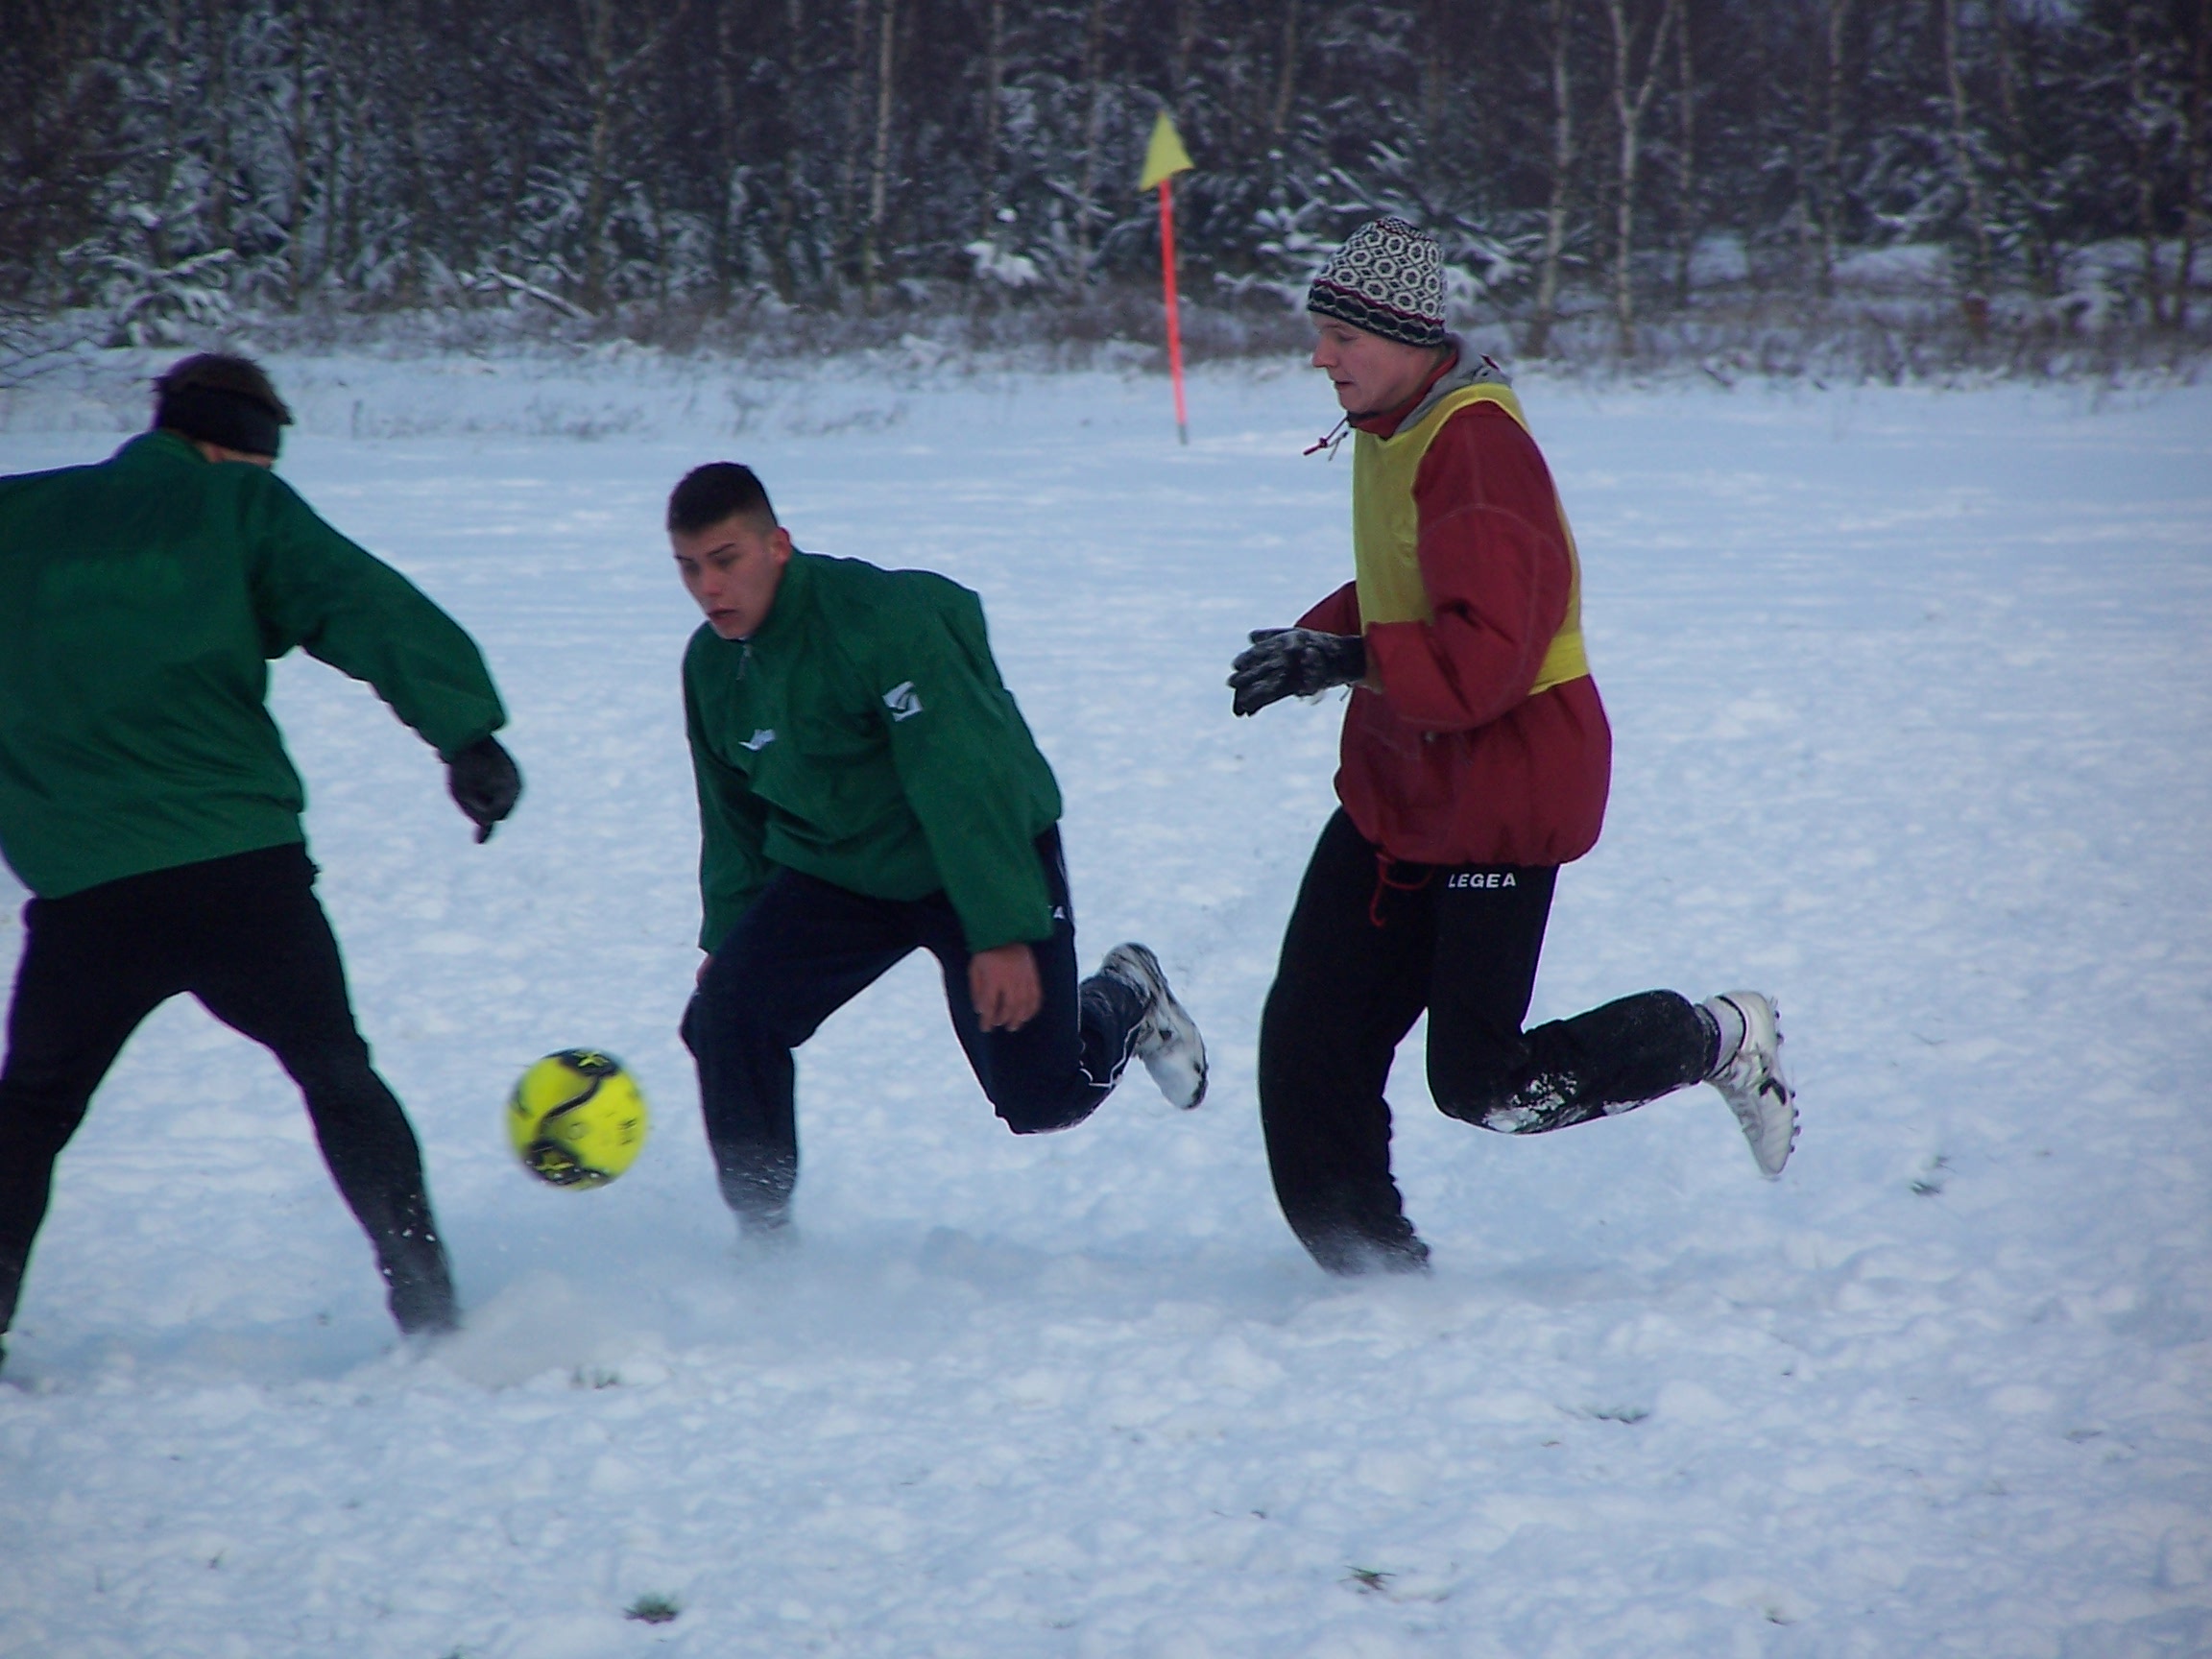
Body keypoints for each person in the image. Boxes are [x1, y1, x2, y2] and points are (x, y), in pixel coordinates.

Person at [1228, 217, 1797, 1277]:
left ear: (1406, 338)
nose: (1319, 357)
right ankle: (1372, 1279)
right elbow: (1413, 582)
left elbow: (1488, 657)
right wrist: (1317, 643)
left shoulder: (1476, 449)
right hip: (1405, 783)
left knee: (1486, 1085)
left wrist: (1346, 657)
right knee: (1311, 1043)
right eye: (1319, 333)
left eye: (1342, 337)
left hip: (1501, 788)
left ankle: (1716, 1038)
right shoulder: (1394, 425)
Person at [0, 352, 520, 1370]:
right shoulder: (240, 506)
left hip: (86, 891)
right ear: (233, 448)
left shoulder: (21, 519)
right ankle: (430, 1312)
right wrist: (467, 733)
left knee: (29, 1112)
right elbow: (362, 603)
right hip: (239, 872)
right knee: (337, 1075)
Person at [669, 461, 1205, 1241]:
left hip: (973, 856)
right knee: (727, 1018)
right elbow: (730, 811)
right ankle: (765, 1238)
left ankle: (1128, 997)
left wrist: (1001, 931)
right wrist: (730, 936)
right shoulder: (712, 664)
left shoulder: (880, 623)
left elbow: (962, 778)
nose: (709, 587)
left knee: (1039, 1098)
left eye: (726, 560)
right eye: (689, 567)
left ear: (777, 545)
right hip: (841, 871)